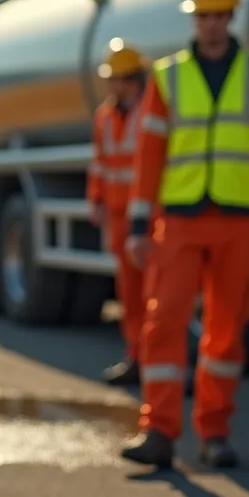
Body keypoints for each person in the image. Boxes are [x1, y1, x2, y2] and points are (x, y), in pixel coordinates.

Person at [121, 0, 249, 469]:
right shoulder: (169, 76)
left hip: (239, 220)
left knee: (226, 333)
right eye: (203, 16)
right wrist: (138, 226)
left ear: (231, 17)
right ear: (194, 19)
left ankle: (215, 432)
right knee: (164, 324)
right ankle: (159, 431)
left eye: (218, 15)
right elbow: (149, 155)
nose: (210, 24)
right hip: (180, 220)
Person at [85, 38, 149, 386]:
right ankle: (135, 357)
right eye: (114, 79)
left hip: (148, 219)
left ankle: (158, 361)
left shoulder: (151, 114)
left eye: (124, 79)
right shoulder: (105, 117)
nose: (118, 86)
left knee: (155, 293)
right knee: (129, 293)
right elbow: (100, 163)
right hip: (118, 216)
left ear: (137, 79)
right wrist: (95, 199)